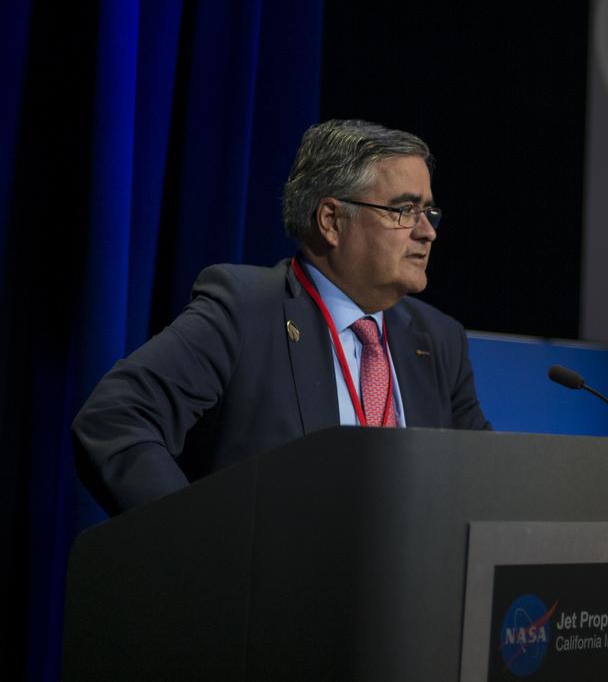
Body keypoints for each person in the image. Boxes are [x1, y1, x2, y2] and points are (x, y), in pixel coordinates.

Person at [72, 119, 491, 516]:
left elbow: (487, 476)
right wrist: (197, 542)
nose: (427, 232)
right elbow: (115, 418)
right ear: (331, 221)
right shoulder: (247, 311)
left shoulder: (437, 339)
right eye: (404, 210)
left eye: (429, 212)